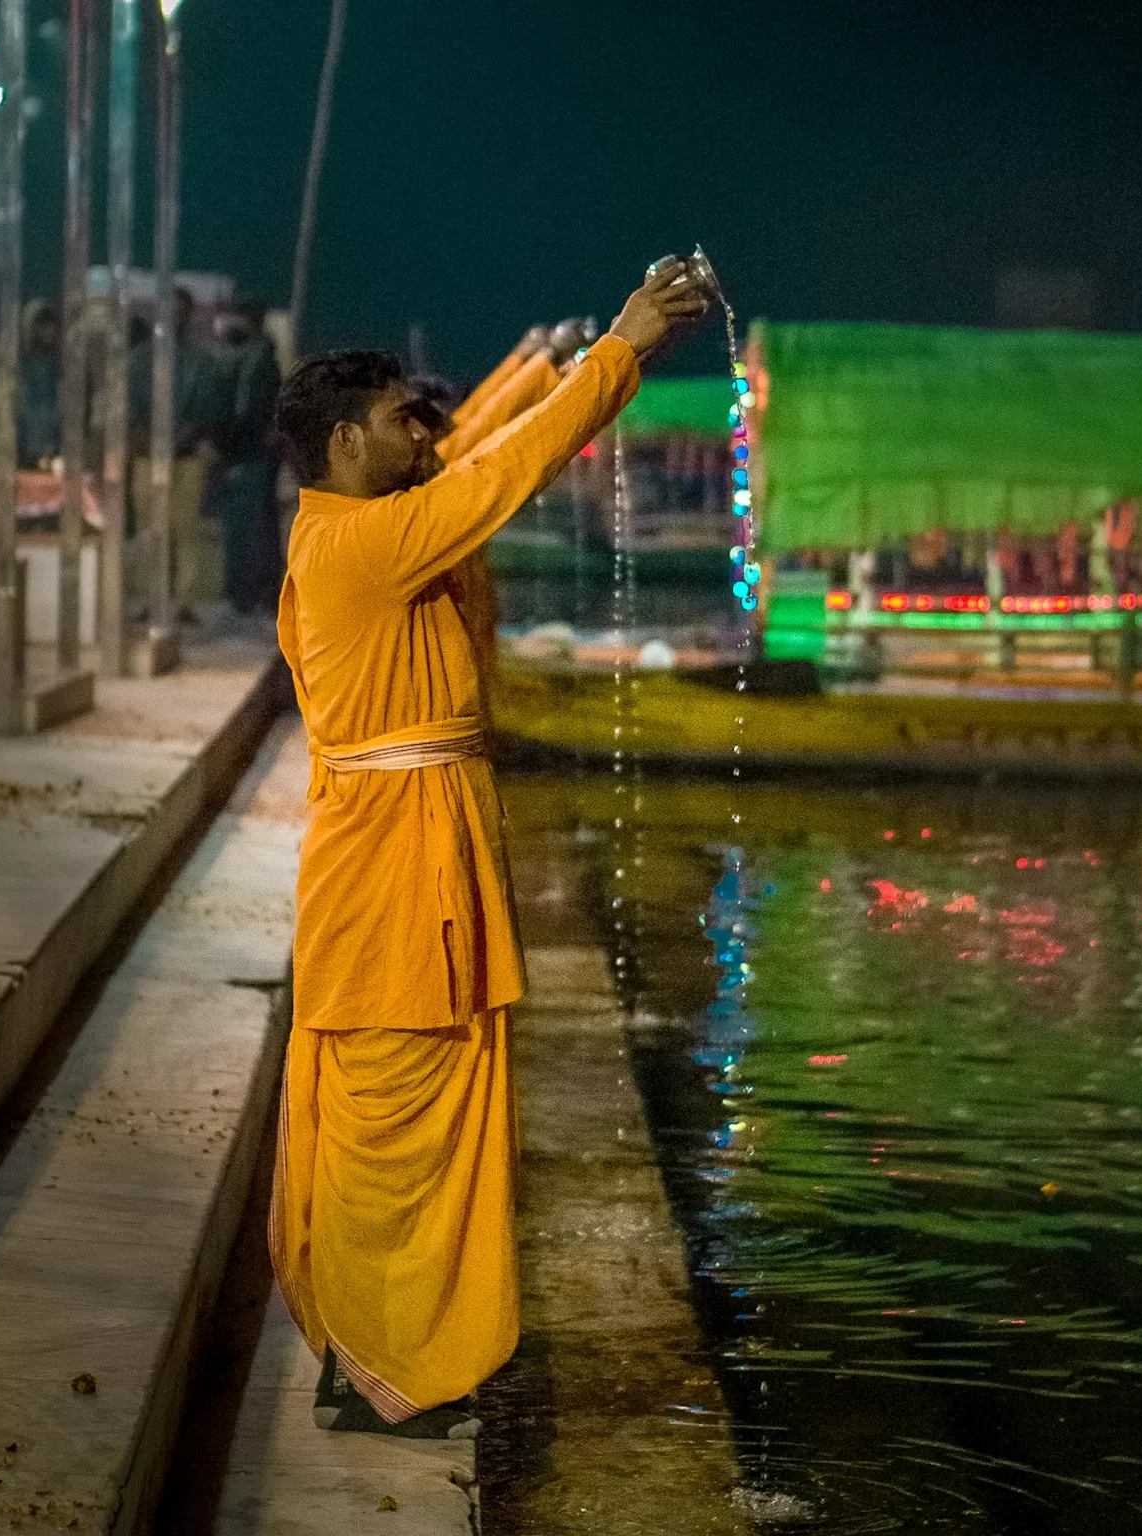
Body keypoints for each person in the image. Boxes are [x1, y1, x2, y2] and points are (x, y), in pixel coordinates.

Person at [269, 263, 707, 1439]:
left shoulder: (370, 525)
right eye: (405, 419)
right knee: (394, 1117)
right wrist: (619, 349)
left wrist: (560, 364)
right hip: (388, 876)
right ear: (349, 441)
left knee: (418, 1108)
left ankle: (386, 1353)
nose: (427, 433)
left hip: (413, 856)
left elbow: (485, 452)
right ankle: (373, 1367)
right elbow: (503, 468)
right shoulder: (364, 546)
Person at [128, 287, 229, 619]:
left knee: (185, 530)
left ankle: (183, 601)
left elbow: (208, 409)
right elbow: (130, 408)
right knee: (150, 530)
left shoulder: (202, 361)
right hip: (148, 456)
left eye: (181, 310)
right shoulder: (139, 359)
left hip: (186, 457)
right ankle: (150, 597)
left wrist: (181, 441)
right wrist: (147, 441)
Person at [212, 300, 284, 614]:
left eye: (232, 317)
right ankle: (259, 596)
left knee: (248, 529)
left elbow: (246, 412)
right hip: (252, 454)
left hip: (248, 455)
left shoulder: (255, 359)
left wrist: (224, 445)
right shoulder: (256, 356)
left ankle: (248, 597)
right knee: (257, 527)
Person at [19, 299, 62, 470]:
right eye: (41, 325)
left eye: (50, 325)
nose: (47, 331)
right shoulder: (21, 365)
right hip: (24, 441)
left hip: (53, 440)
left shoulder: (58, 366)